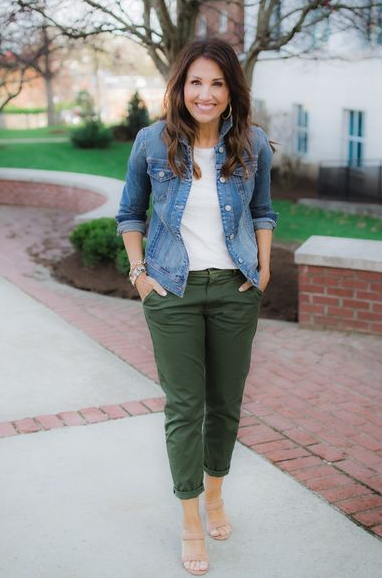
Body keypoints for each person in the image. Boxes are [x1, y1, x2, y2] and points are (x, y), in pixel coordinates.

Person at [116, 37, 278, 576]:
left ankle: (215, 495)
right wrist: (139, 275)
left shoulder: (253, 144)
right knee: (184, 408)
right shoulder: (150, 142)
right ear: (179, 87)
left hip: (235, 291)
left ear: (231, 90)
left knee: (225, 404)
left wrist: (264, 268)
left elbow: (263, 211)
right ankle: (190, 518)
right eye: (195, 82)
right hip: (172, 291)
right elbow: (129, 214)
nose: (205, 94)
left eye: (217, 83)